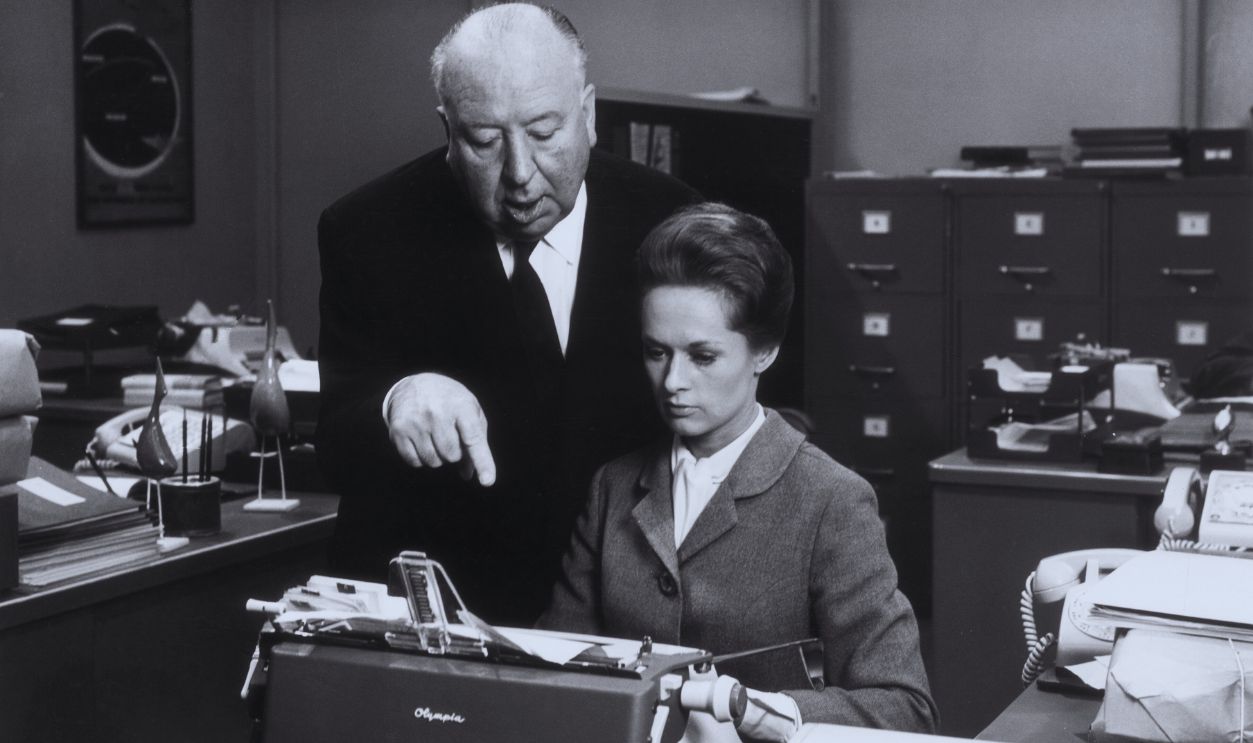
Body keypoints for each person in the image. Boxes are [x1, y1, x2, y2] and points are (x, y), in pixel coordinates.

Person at [315, 3, 698, 625]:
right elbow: (334, 437)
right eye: (485, 141)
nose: (521, 175)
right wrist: (397, 399)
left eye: (545, 133)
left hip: (620, 606)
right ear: (448, 130)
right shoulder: (368, 229)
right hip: (443, 612)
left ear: (590, 114)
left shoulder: (672, 221)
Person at [540, 203, 938, 738]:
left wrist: (758, 710)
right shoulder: (612, 486)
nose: (672, 381)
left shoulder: (831, 500)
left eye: (703, 356)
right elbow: (553, 670)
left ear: (765, 352)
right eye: (656, 352)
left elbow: (904, 706)